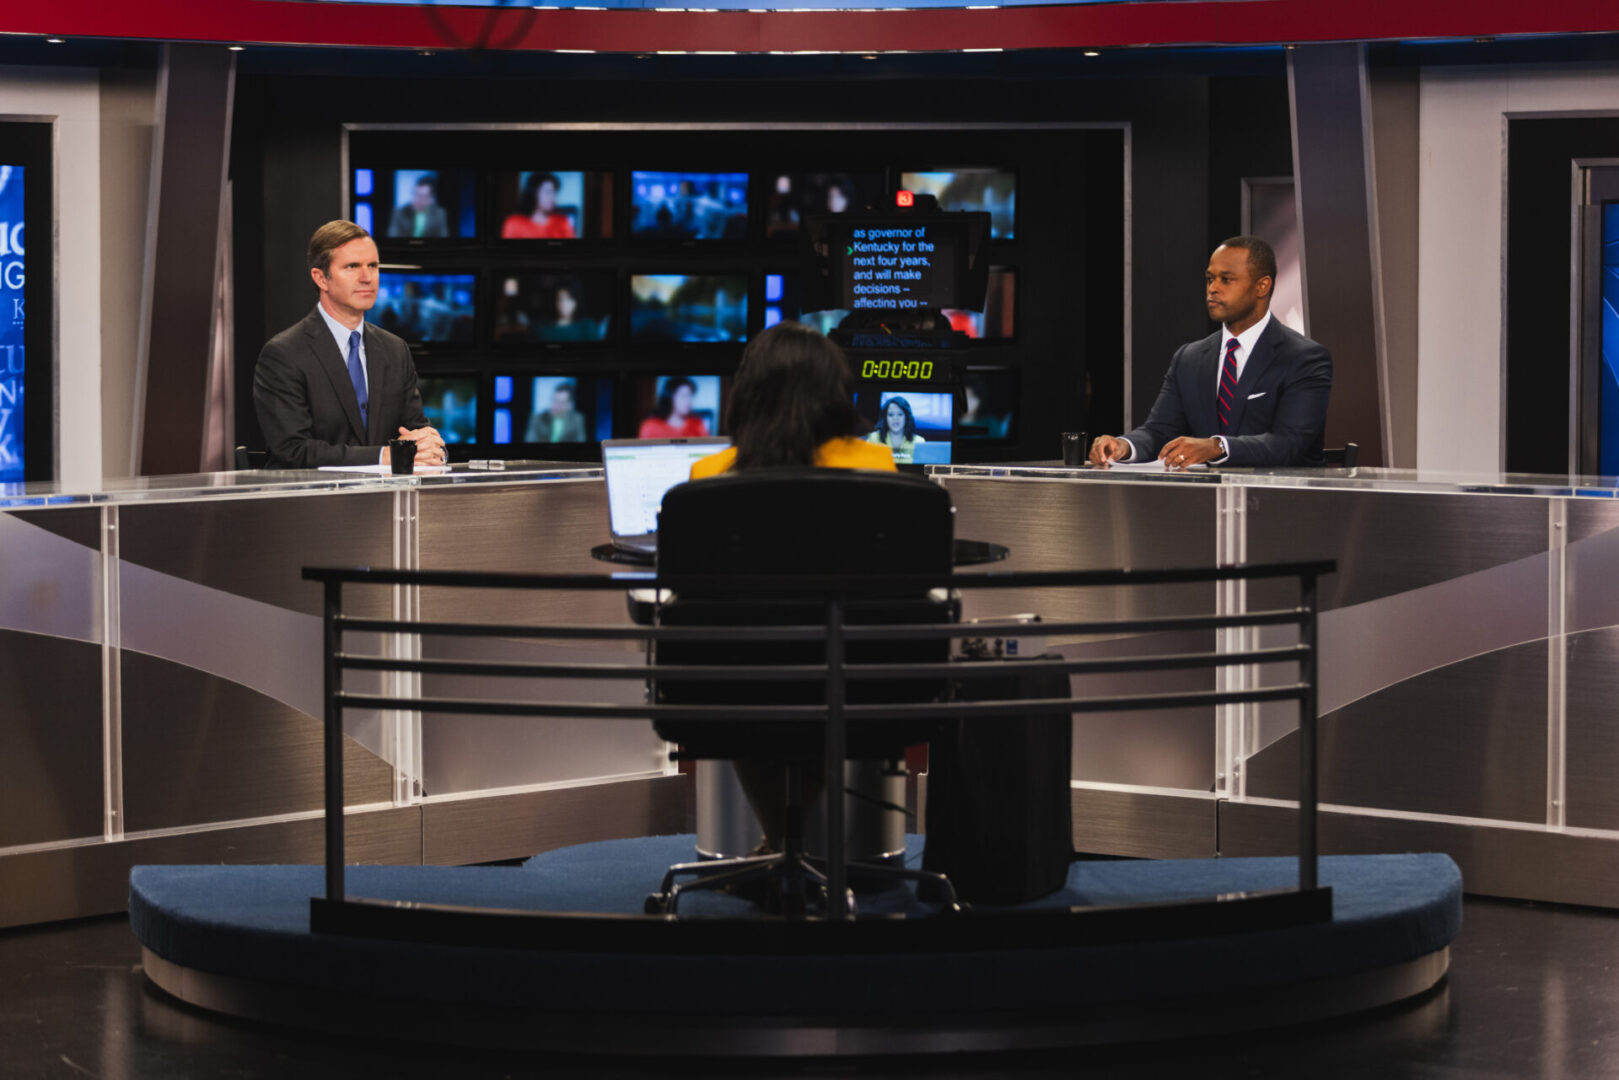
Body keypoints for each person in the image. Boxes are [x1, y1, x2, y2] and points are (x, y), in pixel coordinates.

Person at [688, 322, 895, 854]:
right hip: (859, 678)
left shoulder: (707, 478)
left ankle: (781, 849)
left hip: (739, 685)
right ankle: (787, 851)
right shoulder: (876, 466)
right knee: (821, 685)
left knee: (742, 690)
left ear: (748, 394)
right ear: (832, 392)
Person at [1090, 235, 1332, 469]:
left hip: (1284, 501)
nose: (1213, 289)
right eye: (1209, 279)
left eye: (1226, 280)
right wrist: (1124, 446)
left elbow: (1290, 443)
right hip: (1206, 503)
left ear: (1262, 286)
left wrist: (1217, 447)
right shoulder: (1189, 358)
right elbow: (1159, 431)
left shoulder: (1304, 358)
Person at [253, 220, 445, 469]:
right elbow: (293, 450)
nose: (367, 278)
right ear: (321, 278)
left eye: (373, 266)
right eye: (352, 266)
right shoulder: (284, 354)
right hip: (313, 501)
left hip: (386, 501)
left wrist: (431, 448)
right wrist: (384, 457)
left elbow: (415, 431)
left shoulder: (395, 350)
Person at [501, 173, 576, 240]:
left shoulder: (563, 222)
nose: (553, 197)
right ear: (534, 193)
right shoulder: (514, 223)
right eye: (547, 192)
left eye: (554, 192)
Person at [638, 376, 712, 439]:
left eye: (691, 396)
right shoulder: (651, 426)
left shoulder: (697, 424)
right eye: (684, 395)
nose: (689, 401)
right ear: (670, 397)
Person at [864, 396, 926, 464]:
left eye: (900, 414)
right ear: (885, 418)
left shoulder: (919, 442)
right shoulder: (873, 439)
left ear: (906, 417)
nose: (895, 418)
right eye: (891, 415)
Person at [387, 174, 448, 239]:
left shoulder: (440, 213)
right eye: (415, 194)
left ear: (431, 199)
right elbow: (392, 237)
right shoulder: (399, 212)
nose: (417, 199)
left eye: (422, 196)